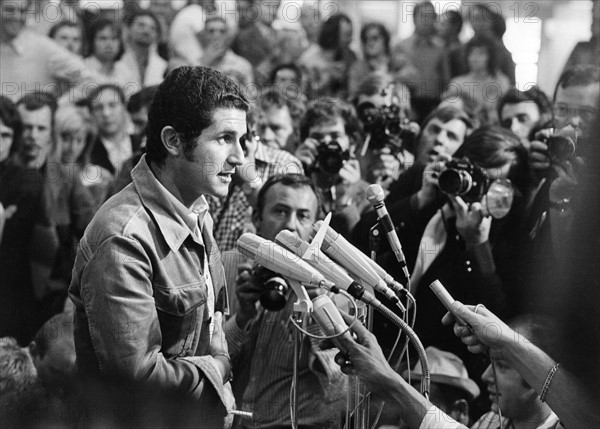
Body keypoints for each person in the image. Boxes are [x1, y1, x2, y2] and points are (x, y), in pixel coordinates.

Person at [68, 67, 247, 423]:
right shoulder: (122, 238)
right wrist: (217, 370)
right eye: (224, 138)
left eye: (242, 139)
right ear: (174, 141)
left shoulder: (197, 209)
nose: (240, 157)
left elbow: (211, 330)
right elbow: (139, 381)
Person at [223, 173, 347, 428]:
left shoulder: (338, 286)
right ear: (257, 219)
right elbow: (198, 362)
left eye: (303, 216)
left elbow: (339, 390)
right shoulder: (225, 268)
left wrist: (319, 309)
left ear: (315, 230)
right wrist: (242, 318)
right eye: (280, 211)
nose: (291, 225)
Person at [208, 106, 303, 251]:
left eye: (276, 128)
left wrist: (251, 181)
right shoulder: (215, 157)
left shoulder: (284, 164)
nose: (267, 136)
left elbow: (289, 226)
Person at [295, 98, 369, 236]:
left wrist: (345, 203)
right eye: (317, 137)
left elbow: (361, 250)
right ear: (304, 142)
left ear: (351, 142)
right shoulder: (296, 184)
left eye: (335, 136)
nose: (327, 142)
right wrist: (295, 170)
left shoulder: (369, 196)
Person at [0, 0, 98, 101]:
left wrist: (59, 106)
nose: (17, 16)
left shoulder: (42, 47)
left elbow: (89, 80)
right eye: (9, 10)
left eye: (22, 11)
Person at [390, 1, 448, 120]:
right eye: (423, 16)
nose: (426, 20)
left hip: (433, 104)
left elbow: (446, 79)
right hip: (406, 103)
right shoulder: (401, 46)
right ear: (414, 18)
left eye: (430, 16)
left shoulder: (441, 48)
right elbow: (391, 77)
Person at [443, 36, 511, 126]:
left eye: (480, 54)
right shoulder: (458, 82)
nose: (474, 58)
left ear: (491, 56)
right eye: (471, 53)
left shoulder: (501, 81)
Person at [55, 103, 112, 209]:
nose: (73, 148)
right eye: (66, 139)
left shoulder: (99, 176)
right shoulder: (45, 172)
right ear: (55, 136)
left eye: (79, 140)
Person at [86, 84, 142, 177]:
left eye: (112, 105)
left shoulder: (142, 144)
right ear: (92, 114)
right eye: (99, 108)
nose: (106, 113)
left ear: (124, 107)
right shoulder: (87, 152)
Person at [297, 13, 357, 98]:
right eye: (347, 35)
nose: (350, 39)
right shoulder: (309, 58)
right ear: (333, 34)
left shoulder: (349, 55)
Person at [83, 18, 138, 93]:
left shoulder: (126, 70)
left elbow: (135, 101)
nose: (109, 44)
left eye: (114, 38)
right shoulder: (81, 68)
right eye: (103, 38)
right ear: (92, 42)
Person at [119, 9, 167, 89]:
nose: (146, 31)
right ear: (128, 29)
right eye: (141, 25)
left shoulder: (164, 66)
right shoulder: (117, 61)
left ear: (156, 35)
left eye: (152, 28)